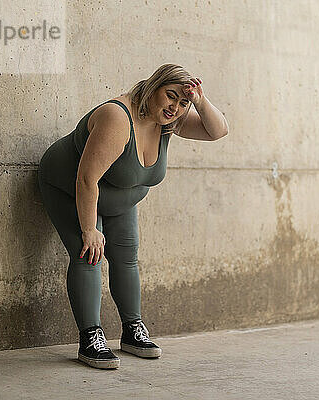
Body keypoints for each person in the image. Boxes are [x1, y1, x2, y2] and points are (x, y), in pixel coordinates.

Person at [37, 63, 229, 369]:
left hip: (119, 199)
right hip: (71, 188)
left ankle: (132, 331)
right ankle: (90, 338)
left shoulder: (168, 121)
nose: (175, 108)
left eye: (183, 103)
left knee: (126, 256)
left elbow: (218, 131)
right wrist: (89, 229)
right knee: (89, 254)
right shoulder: (118, 117)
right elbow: (86, 179)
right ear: (153, 87)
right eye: (170, 96)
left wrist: (200, 102)